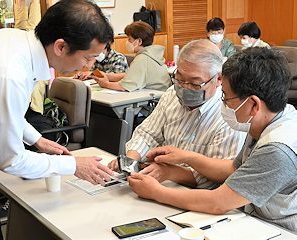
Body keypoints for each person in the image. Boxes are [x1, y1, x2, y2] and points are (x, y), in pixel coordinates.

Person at [0, 0, 115, 239]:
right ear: (61, 46)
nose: (89, 65)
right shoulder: (8, 72)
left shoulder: (14, 40)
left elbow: (1, 111)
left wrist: (37, 138)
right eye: (88, 58)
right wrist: (74, 166)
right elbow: (9, 160)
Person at [127, 47, 297, 232]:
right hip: (256, 219)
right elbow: (233, 169)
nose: (222, 102)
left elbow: (219, 202)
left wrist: (157, 192)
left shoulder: (277, 149)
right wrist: (187, 157)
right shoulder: (269, 118)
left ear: (253, 104)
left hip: (280, 230)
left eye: (226, 97)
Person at [108, 39, 246, 190]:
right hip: (161, 183)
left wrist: (169, 172)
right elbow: (148, 133)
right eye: (180, 79)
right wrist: (130, 161)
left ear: (218, 79)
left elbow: (218, 177)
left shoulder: (229, 114)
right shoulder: (172, 95)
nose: (185, 88)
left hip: (197, 195)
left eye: (195, 83)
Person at [92, 21, 171, 92]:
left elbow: (124, 86)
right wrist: (107, 76)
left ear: (139, 41)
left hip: (153, 100)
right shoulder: (151, 54)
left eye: (129, 39)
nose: (127, 42)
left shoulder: (142, 59)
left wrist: (105, 84)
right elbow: (131, 75)